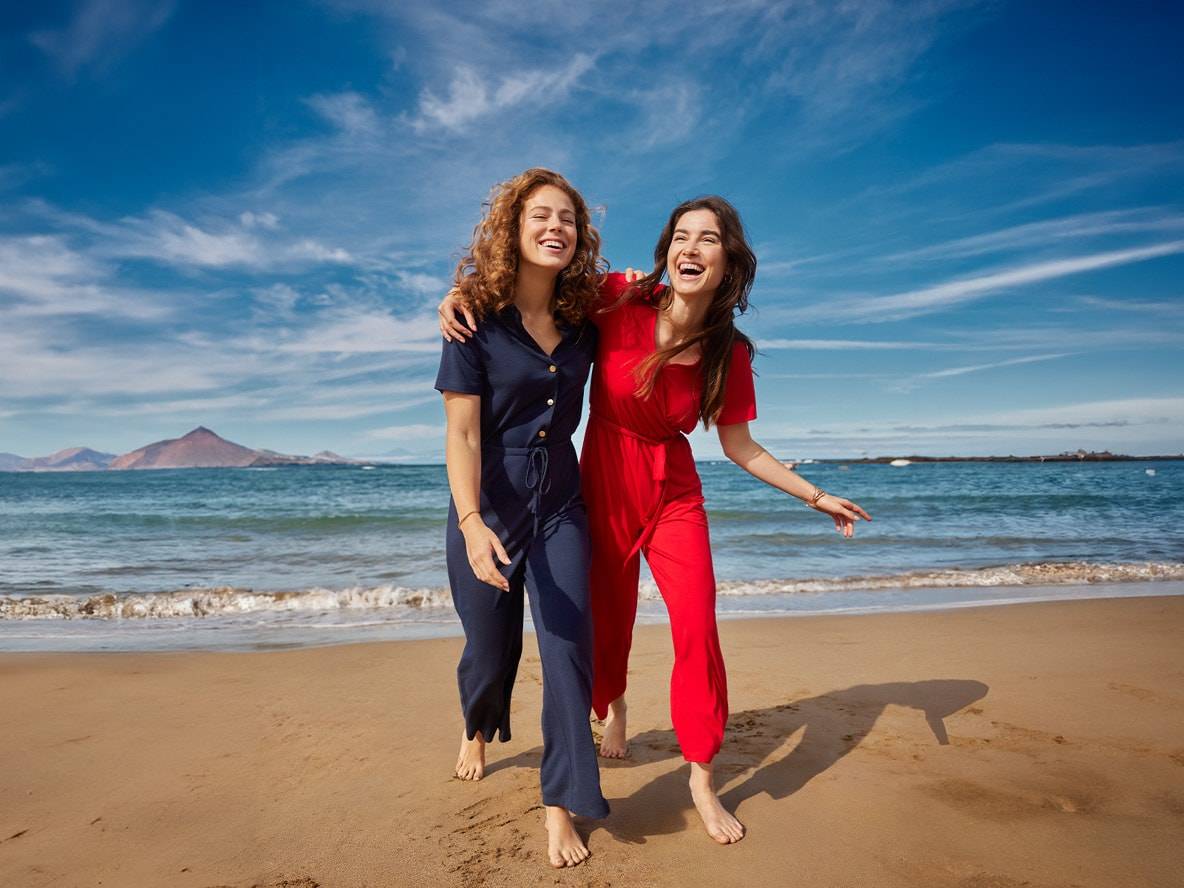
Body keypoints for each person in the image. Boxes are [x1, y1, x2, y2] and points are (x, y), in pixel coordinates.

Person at [439, 194, 871, 846]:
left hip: (674, 493)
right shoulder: (618, 298)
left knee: (698, 624)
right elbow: (532, 283)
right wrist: (459, 296)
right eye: (682, 236)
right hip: (605, 481)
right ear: (667, 249)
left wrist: (814, 496)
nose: (691, 248)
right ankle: (609, 711)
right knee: (603, 627)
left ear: (728, 262)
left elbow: (741, 446)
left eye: (708, 240)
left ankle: (701, 774)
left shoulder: (729, 352)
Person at [434, 167, 609, 869]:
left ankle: (561, 804)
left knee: (567, 646)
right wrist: (473, 522)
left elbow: (662, 288)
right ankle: (479, 724)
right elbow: (463, 434)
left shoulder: (586, 315)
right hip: (489, 496)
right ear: (513, 227)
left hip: (561, 497)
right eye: (540, 215)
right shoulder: (472, 317)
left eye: (566, 218)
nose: (554, 227)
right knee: (487, 642)